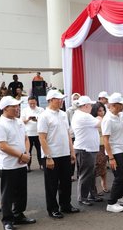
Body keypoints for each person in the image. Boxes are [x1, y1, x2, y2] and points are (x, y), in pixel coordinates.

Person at [0, 96, 35, 230]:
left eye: (18, 106)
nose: (17, 108)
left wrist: (25, 154)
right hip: (8, 165)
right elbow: (3, 146)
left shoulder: (19, 122)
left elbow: (26, 138)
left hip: (21, 163)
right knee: (8, 194)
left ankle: (18, 215)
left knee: (21, 192)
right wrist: (21, 155)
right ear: (5, 108)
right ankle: (7, 220)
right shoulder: (0, 124)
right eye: (14, 106)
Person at [38, 89, 79, 219]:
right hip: (52, 156)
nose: (61, 101)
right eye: (58, 99)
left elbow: (67, 134)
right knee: (52, 184)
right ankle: (53, 209)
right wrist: (48, 157)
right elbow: (42, 138)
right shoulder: (44, 116)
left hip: (65, 153)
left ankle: (65, 205)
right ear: (50, 100)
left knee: (66, 181)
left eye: (62, 99)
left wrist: (71, 151)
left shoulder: (62, 114)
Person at [101, 93, 123, 213]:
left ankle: (120, 196)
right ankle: (111, 203)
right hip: (114, 152)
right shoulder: (107, 119)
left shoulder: (120, 115)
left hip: (122, 149)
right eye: (121, 104)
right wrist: (111, 158)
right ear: (114, 105)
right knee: (119, 177)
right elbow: (106, 140)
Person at [71, 96, 102, 206]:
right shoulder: (83, 116)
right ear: (86, 105)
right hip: (85, 149)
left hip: (87, 148)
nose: (92, 107)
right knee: (85, 174)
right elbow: (99, 123)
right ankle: (82, 197)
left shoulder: (82, 115)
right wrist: (99, 118)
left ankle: (91, 194)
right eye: (91, 105)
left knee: (90, 173)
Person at [20, 96, 44, 171]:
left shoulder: (41, 109)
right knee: (28, 150)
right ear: (28, 103)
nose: (32, 105)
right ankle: (27, 165)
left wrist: (36, 119)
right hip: (28, 133)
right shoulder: (24, 110)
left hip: (38, 133)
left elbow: (44, 120)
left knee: (40, 150)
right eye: (31, 103)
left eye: (34, 103)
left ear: (36, 102)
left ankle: (42, 164)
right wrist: (28, 119)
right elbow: (21, 122)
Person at [91, 102, 109, 194]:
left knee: (103, 166)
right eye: (99, 111)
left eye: (103, 110)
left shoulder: (105, 118)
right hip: (97, 146)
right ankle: (93, 189)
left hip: (105, 145)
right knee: (96, 166)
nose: (102, 112)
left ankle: (104, 184)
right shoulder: (94, 119)